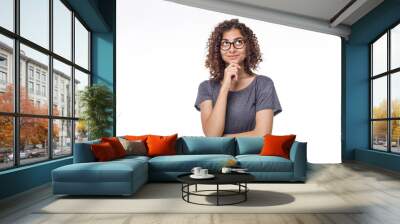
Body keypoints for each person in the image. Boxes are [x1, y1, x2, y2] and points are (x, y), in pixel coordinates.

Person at [194, 19, 282, 137]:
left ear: (248, 46)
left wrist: (222, 139)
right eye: (225, 43)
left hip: (251, 154)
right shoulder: (206, 87)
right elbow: (212, 134)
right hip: (219, 155)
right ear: (218, 49)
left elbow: (263, 134)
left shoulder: (263, 84)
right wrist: (225, 85)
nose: (232, 49)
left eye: (238, 42)